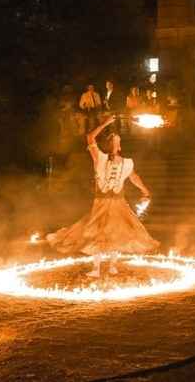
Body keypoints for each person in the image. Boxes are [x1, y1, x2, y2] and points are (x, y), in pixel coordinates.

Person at [46, 116, 158, 277]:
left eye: (117, 140)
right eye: (111, 139)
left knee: (117, 232)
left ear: (119, 146)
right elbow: (90, 137)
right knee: (97, 234)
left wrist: (145, 191)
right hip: (101, 204)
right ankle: (96, 269)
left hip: (118, 203)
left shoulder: (127, 163)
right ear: (108, 145)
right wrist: (105, 123)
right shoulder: (99, 157)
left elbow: (134, 177)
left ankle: (112, 266)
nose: (114, 141)